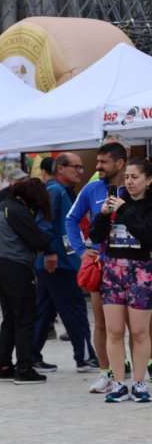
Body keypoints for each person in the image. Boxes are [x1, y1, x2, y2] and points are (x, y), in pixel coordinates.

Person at [66, 142, 128, 393]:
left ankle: (140, 374)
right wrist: (82, 252)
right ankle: (106, 374)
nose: (97, 166)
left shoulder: (137, 187)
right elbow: (71, 219)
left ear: (120, 163)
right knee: (103, 325)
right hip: (102, 267)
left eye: (103, 162)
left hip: (135, 264)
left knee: (140, 326)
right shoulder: (92, 189)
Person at [88, 157, 152, 402]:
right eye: (127, 176)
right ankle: (118, 383)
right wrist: (103, 214)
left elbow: (147, 234)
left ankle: (138, 383)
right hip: (113, 270)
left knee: (139, 331)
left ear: (149, 180)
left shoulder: (143, 205)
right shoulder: (114, 201)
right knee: (114, 330)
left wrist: (123, 209)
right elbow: (96, 236)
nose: (130, 181)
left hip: (142, 270)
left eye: (135, 177)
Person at [30, 153, 97, 374]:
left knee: (44, 311)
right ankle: (85, 357)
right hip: (57, 263)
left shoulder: (61, 191)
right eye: (75, 167)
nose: (80, 171)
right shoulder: (55, 191)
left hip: (56, 261)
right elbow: (43, 222)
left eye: (81, 167)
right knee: (75, 309)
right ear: (60, 168)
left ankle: (30, 356)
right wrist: (49, 252)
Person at [0, 178, 54, 384]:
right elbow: (38, 240)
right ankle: (24, 368)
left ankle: (4, 366)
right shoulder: (18, 211)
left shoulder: (2, 206)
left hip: (0, 265)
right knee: (25, 318)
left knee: (9, 318)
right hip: (17, 268)